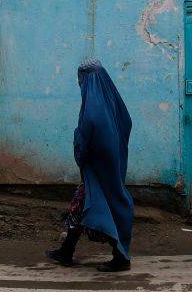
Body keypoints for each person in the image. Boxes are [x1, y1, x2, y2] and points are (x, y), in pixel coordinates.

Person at [46, 59, 134, 272]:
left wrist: (81, 154)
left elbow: (85, 137)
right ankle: (67, 250)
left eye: (81, 79)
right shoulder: (111, 98)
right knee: (81, 206)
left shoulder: (92, 108)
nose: (80, 83)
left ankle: (120, 256)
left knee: (100, 207)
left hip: (97, 171)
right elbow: (126, 122)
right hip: (110, 167)